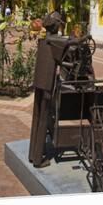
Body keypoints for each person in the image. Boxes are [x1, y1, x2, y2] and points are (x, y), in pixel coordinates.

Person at [28, 11, 67, 168]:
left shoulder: (44, 40)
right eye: (59, 24)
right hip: (47, 85)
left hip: (38, 82)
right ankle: (38, 160)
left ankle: (32, 154)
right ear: (56, 26)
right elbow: (70, 45)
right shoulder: (56, 41)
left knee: (36, 118)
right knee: (44, 119)